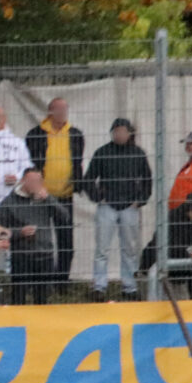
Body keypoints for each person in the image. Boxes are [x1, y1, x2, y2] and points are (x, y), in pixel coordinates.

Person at [84, 118, 151, 298]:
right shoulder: (103, 152)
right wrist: (98, 197)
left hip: (130, 206)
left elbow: (147, 180)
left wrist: (141, 200)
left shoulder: (138, 154)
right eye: (116, 131)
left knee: (129, 248)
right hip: (108, 207)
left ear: (129, 133)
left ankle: (129, 287)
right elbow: (88, 178)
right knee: (102, 248)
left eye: (122, 131)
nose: (119, 135)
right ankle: (99, 286)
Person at [24, 98, 84, 283]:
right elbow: (29, 164)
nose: (62, 112)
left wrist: (79, 184)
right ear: (50, 112)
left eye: (64, 109)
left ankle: (61, 281)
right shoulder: (35, 134)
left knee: (66, 240)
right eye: (58, 109)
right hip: (41, 197)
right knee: (39, 239)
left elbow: (77, 162)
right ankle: (41, 280)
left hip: (65, 196)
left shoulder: (75, 134)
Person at [0, 168, 68, 305]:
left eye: (39, 181)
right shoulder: (9, 202)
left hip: (45, 255)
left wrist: (49, 199)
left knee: (42, 298)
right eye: (32, 181)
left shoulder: (46, 199)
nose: (36, 184)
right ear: (23, 181)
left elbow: (64, 217)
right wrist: (19, 232)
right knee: (19, 296)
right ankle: (19, 323)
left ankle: (40, 324)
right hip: (22, 257)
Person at [167, 130, 192, 210]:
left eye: (191, 143)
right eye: (186, 144)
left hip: (190, 212)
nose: (187, 146)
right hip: (180, 211)